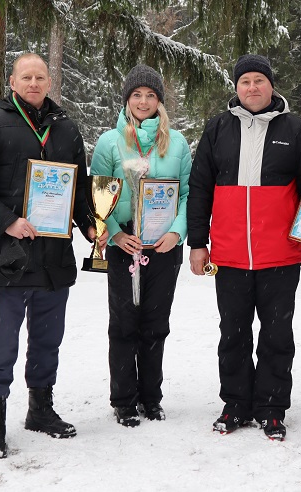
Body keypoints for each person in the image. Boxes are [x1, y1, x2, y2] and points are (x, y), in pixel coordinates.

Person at [0, 53, 98, 458]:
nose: (33, 83)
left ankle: (40, 410)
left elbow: (79, 188)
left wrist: (88, 225)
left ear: (49, 82)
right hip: (9, 259)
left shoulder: (66, 128)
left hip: (55, 260)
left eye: (40, 77)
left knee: (48, 341)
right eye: (26, 77)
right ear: (12, 81)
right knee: (2, 345)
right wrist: (6, 220)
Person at [187, 55, 301, 441]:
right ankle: (235, 404)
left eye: (259, 80)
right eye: (245, 80)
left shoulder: (295, 129)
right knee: (232, 332)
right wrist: (198, 243)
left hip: (280, 254)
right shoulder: (217, 129)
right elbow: (199, 188)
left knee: (277, 334)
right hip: (229, 254)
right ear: (236, 86)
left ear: (271, 85)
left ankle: (272, 408)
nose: (252, 87)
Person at [89, 65, 191, 427]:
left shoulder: (176, 142)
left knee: (155, 323)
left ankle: (151, 397)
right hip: (124, 242)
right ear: (127, 100)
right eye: (137, 95)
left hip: (164, 244)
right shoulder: (109, 142)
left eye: (150, 95)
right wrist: (115, 232)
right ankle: (124, 399)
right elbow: (98, 192)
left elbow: (187, 194)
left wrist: (177, 232)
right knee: (124, 323)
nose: (144, 101)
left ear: (160, 101)